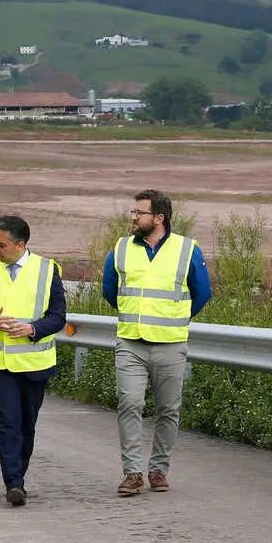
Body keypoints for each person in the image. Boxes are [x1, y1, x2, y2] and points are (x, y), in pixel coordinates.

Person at [102, 189, 212, 496]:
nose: (134, 218)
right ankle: (133, 472)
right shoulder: (122, 247)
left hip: (170, 344)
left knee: (168, 410)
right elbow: (110, 290)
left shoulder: (187, 249)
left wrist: (172, 317)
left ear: (159, 218)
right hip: (131, 342)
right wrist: (135, 314)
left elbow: (202, 293)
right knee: (130, 403)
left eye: (140, 213)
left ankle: (159, 470)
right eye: (134, 212)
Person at [0, 215, 65, 506]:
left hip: (35, 366)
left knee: (26, 425)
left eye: (0, 244)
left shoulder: (47, 270)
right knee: (7, 422)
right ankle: (14, 483)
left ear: (20, 245)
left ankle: (19, 472)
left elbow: (58, 317)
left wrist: (33, 329)